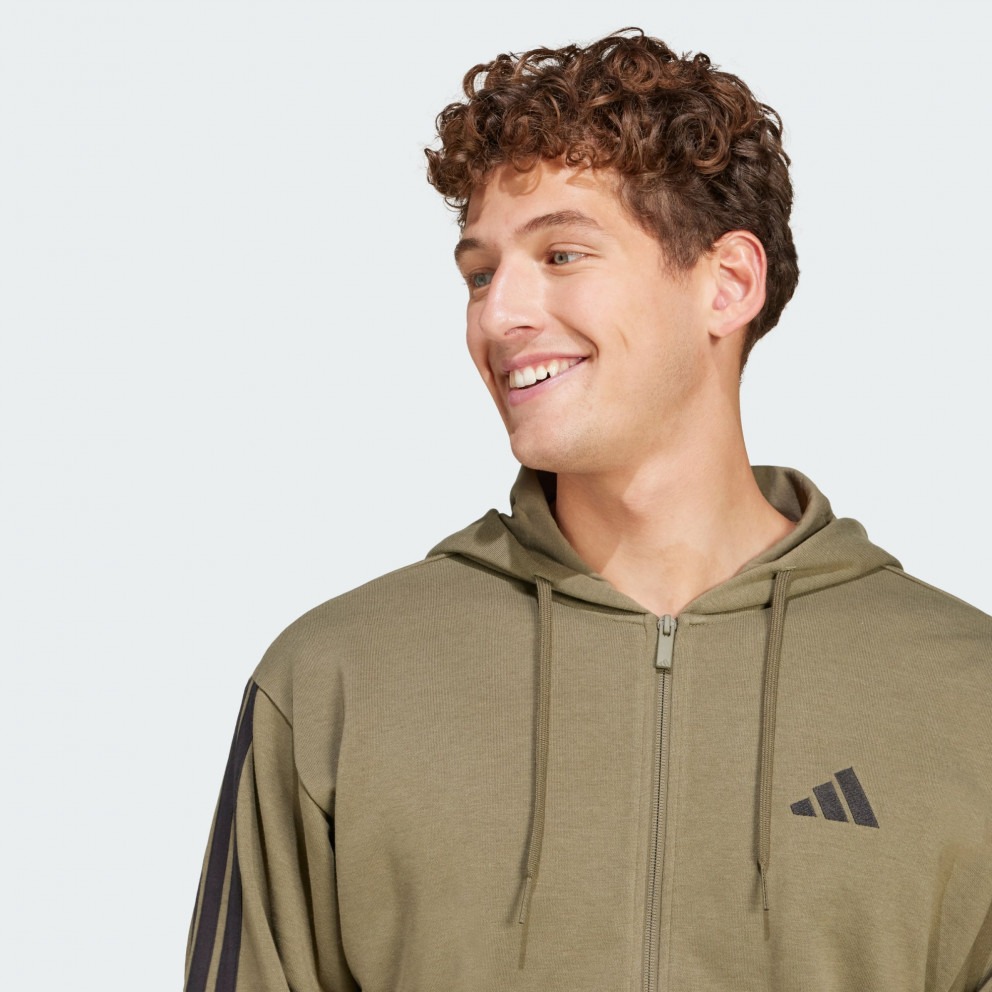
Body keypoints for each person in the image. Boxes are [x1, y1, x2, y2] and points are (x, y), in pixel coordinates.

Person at [184, 28, 992, 992]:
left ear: (728, 284)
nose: (497, 315)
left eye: (562, 254)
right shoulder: (336, 683)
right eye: (480, 273)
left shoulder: (965, 697)